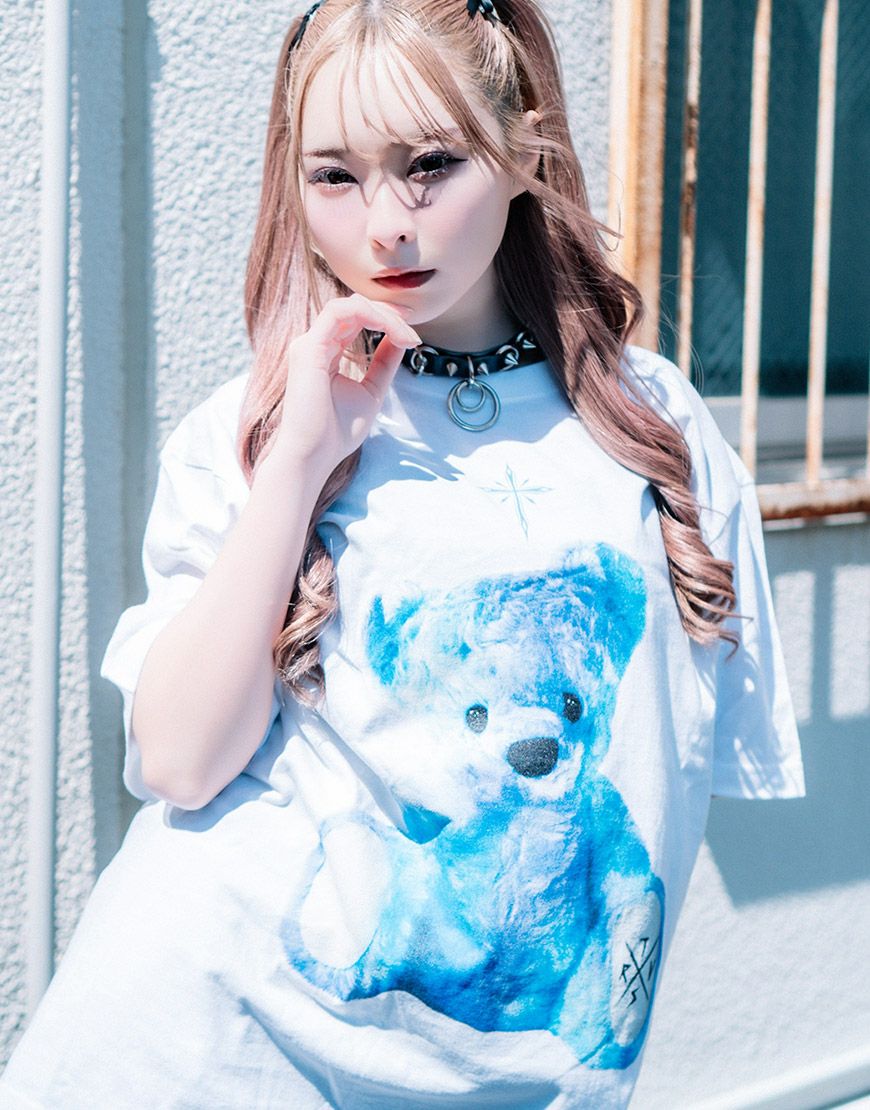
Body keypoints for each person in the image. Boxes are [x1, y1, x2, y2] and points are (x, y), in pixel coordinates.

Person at [1, 0, 806, 1106]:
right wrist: (300, 460)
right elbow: (180, 763)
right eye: (334, 175)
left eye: (430, 165)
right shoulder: (248, 431)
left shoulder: (651, 425)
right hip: (205, 1050)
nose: (386, 224)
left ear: (523, 152)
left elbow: (654, 790)